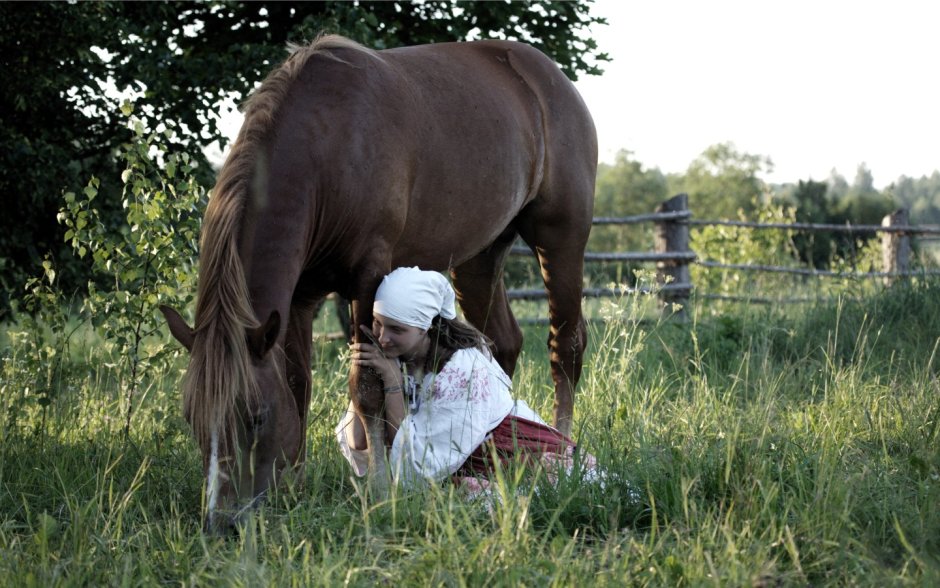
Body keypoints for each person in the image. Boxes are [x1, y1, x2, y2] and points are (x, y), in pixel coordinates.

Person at [335, 266, 595, 492]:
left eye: (397, 329)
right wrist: (366, 374)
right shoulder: (395, 354)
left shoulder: (462, 369)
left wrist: (392, 384)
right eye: (378, 323)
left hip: (507, 451)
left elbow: (421, 465)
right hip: (454, 461)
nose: (382, 338)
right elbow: (360, 441)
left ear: (429, 326)